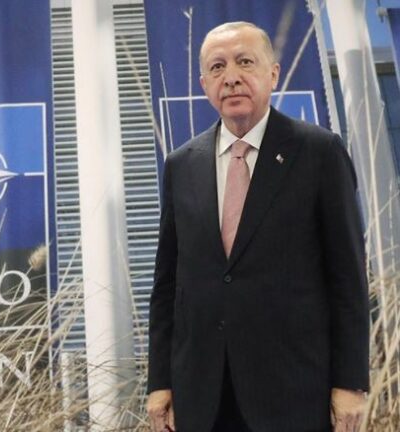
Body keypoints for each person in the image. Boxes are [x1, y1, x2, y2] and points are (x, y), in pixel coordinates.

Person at [146, 22, 369, 432]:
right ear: (204, 84)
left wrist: (351, 383)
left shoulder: (319, 152)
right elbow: (168, 284)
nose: (231, 77)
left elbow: (348, 279)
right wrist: (159, 381)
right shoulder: (181, 165)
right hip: (203, 398)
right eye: (217, 67)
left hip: (295, 393)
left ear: (273, 73)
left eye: (244, 62)